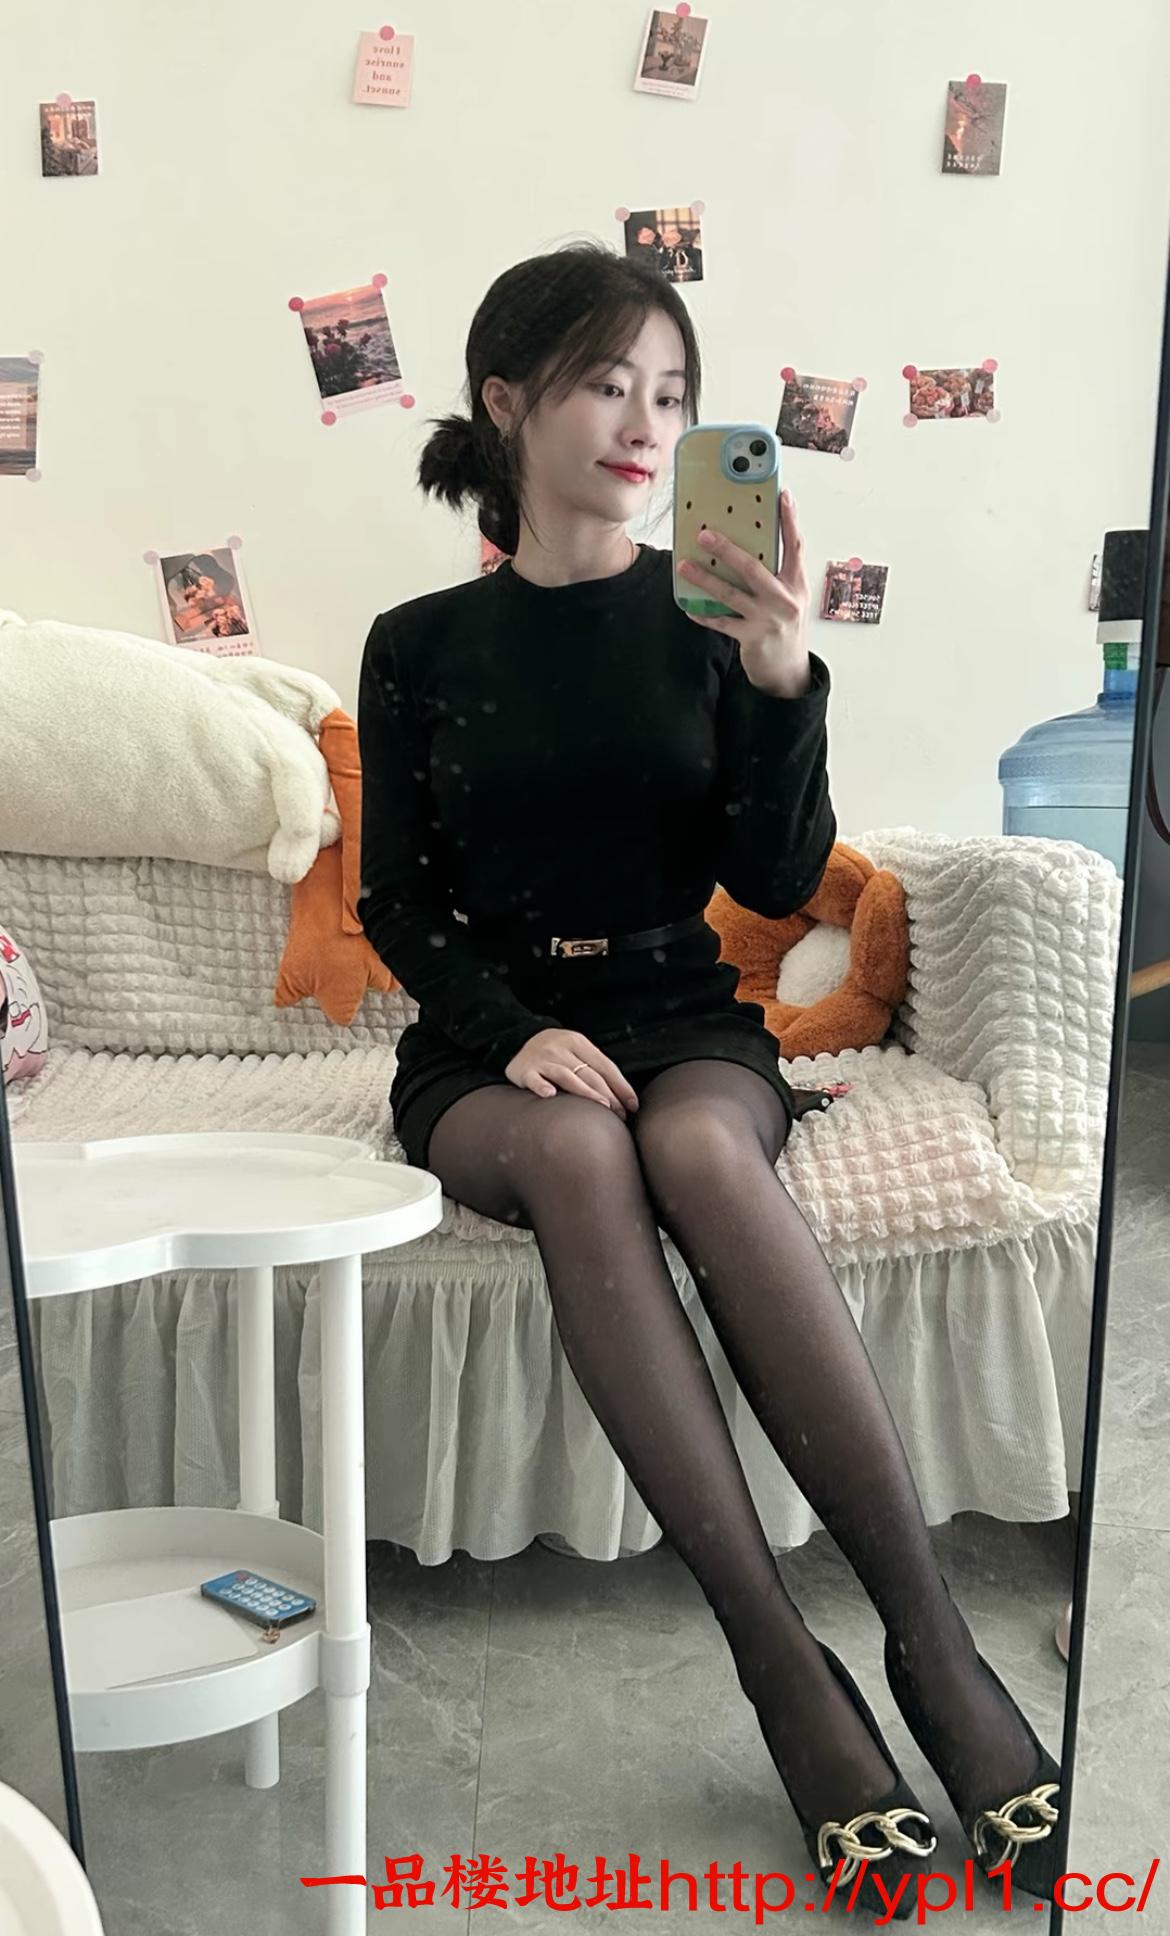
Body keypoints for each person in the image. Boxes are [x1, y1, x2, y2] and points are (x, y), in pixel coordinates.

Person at [356, 241, 1062, 1915]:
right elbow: (394, 897)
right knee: (578, 1155)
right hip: (491, 1049)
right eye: (605, 383)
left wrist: (779, 681)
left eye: (669, 394)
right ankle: (775, 1663)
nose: (640, 422)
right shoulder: (417, 642)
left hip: (683, 1018)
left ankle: (933, 1646)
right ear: (506, 401)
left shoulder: (708, 618)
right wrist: (507, 1027)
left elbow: (773, 874)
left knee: (691, 1151)